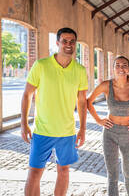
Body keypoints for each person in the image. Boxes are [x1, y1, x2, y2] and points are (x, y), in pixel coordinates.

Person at [21, 27, 88, 196]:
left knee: (64, 171)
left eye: (72, 42)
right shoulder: (41, 65)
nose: (68, 44)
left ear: (75, 44)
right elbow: (27, 94)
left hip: (67, 132)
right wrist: (24, 124)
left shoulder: (80, 70)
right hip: (42, 130)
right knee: (35, 173)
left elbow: (81, 101)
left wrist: (82, 129)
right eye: (64, 41)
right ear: (57, 43)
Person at [87, 56, 129, 196]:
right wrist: (99, 120)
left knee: (128, 173)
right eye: (117, 65)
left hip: (128, 134)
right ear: (113, 68)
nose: (121, 68)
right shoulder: (106, 85)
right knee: (112, 175)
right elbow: (89, 101)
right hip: (110, 133)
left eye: (124, 65)